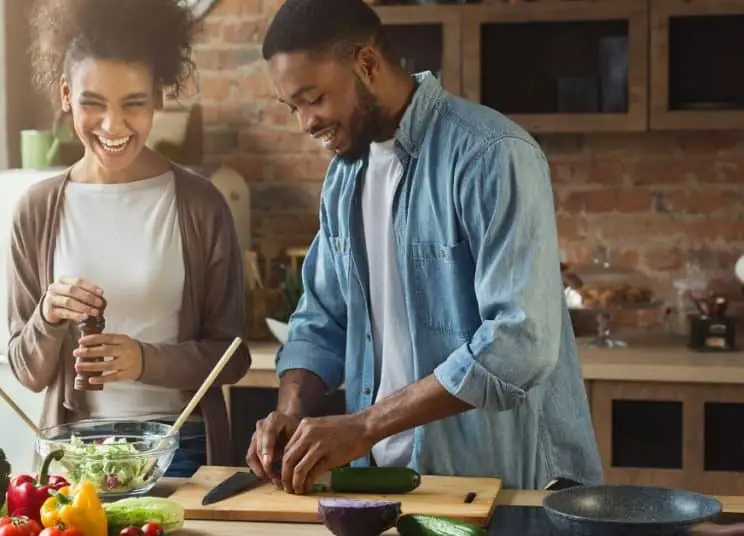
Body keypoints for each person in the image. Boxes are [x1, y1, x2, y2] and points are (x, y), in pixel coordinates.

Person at [245, 0, 604, 493]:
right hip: (386, 483)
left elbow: (519, 342)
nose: (305, 122)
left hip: (503, 486)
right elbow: (322, 318)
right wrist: (289, 414)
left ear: (366, 64)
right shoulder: (344, 177)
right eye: (294, 107)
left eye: (314, 98)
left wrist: (366, 424)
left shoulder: (491, 154)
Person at [7, 0, 251, 477]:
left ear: (158, 97)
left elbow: (233, 357)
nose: (113, 126)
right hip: (72, 453)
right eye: (91, 103)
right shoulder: (35, 211)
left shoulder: (201, 204)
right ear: (64, 95)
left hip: (178, 448)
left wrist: (142, 360)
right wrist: (48, 316)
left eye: (133, 104)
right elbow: (26, 371)